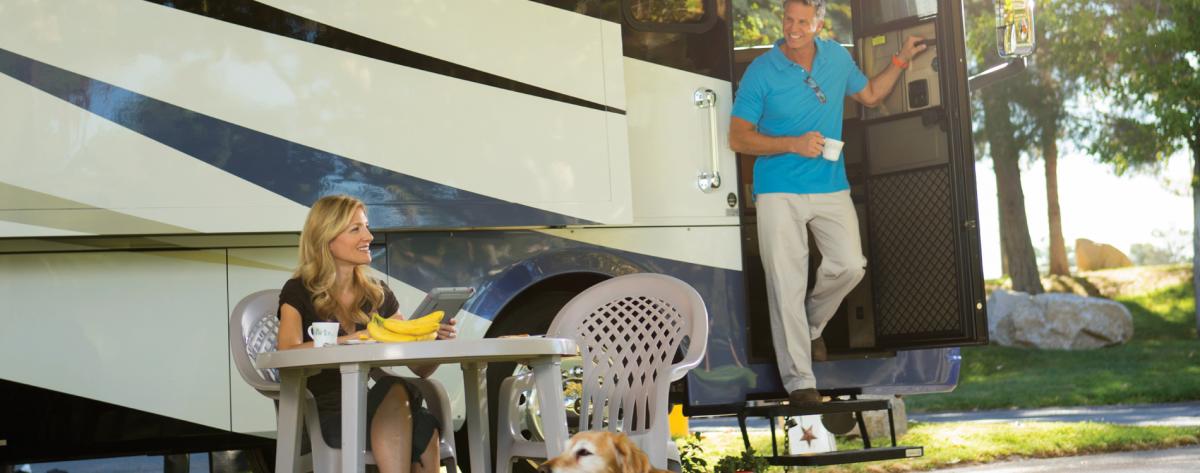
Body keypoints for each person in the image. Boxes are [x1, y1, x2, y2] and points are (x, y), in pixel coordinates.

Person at [728, 0, 927, 407]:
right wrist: (791, 144)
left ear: (819, 24)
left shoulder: (837, 57)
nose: (794, 28)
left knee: (850, 265)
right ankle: (800, 382)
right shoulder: (762, 71)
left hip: (830, 185)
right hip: (778, 189)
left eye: (803, 21)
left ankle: (812, 326)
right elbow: (738, 137)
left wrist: (901, 61)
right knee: (786, 281)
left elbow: (870, 94)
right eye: (788, 19)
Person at [277, 194, 456, 473]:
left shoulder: (377, 293)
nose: (369, 236)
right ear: (327, 238)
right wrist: (346, 341)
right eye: (356, 229)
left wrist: (435, 343)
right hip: (324, 415)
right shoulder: (298, 291)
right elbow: (285, 353)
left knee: (420, 419)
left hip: (372, 407)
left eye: (367, 227)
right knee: (398, 395)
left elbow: (419, 368)